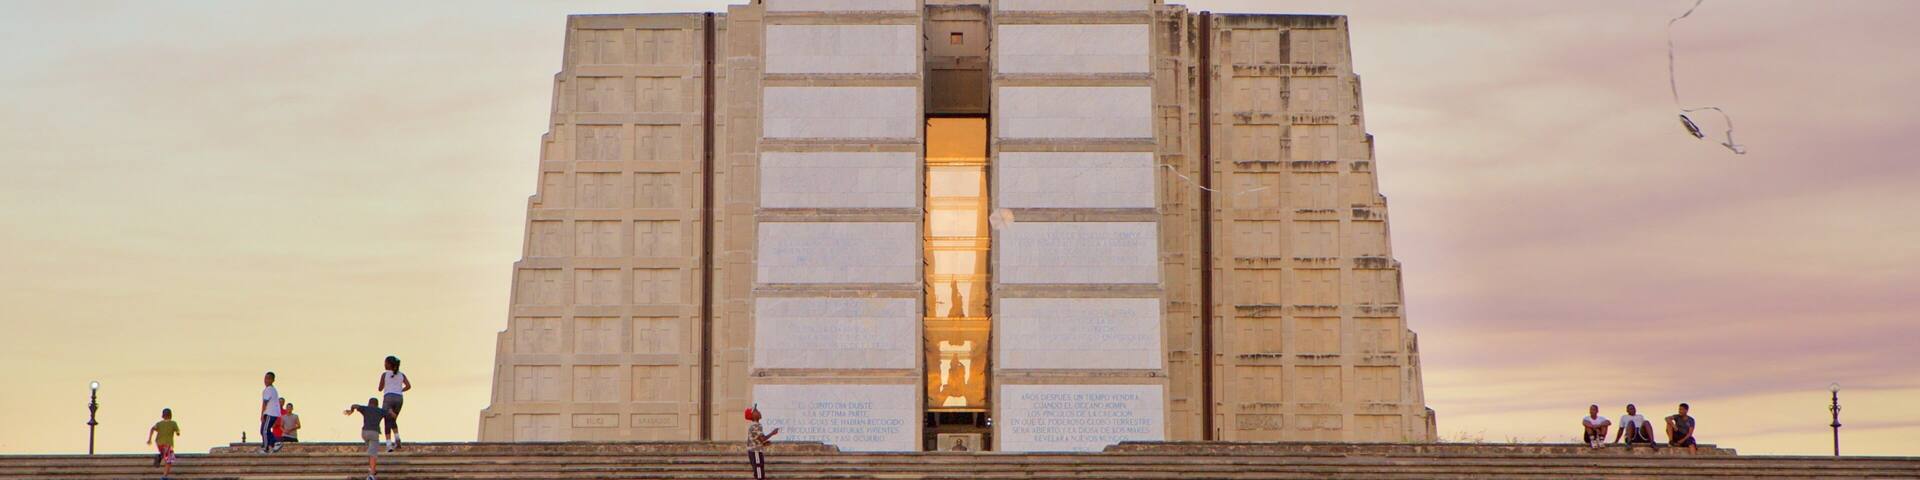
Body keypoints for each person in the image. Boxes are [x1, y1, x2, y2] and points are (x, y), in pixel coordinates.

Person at [345, 397, 390, 480]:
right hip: (374, 433)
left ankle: (371, 468)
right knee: (373, 453)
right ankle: (371, 475)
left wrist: (351, 411)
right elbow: (390, 414)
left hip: (364, 433)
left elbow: (354, 405)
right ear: (377, 404)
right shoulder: (380, 410)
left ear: (369, 403)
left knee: (370, 450)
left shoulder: (365, 408)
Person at [376, 355, 411, 452]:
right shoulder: (401, 375)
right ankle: (397, 438)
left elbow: (380, 388)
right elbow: (408, 386)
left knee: (387, 420)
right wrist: (400, 390)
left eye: (385, 363)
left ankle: (389, 445)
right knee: (393, 419)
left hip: (388, 397)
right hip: (399, 398)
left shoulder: (385, 374)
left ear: (389, 364)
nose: (384, 365)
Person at [744, 405, 780, 480]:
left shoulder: (756, 425)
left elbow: (759, 439)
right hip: (755, 452)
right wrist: (772, 433)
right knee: (759, 474)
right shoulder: (756, 426)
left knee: (759, 472)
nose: (759, 412)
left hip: (755, 451)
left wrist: (764, 443)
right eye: (756, 411)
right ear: (753, 416)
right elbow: (762, 438)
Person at [146, 408, 181, 479]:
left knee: (165, 453)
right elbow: (178, 432)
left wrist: (149, 439)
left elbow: (152, 429)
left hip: (159, 443)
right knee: (169, 461)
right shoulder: (173, 423)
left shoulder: (159, 424)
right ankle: (164, 477)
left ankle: (160, 456)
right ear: (170, 415)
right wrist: (177, 432)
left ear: (163, 415)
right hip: (167, 444)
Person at [260, 371, 283, 453]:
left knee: (265, 430)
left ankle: (265, 448)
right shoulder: (271, 389)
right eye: (265, 378)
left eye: (268, 379)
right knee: (263, 430)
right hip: (271, 413)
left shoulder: (269, 389)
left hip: (270, 413)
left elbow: (265, 402)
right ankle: (275, 443)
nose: (266, 380)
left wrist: (262, 414)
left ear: (272, 380)